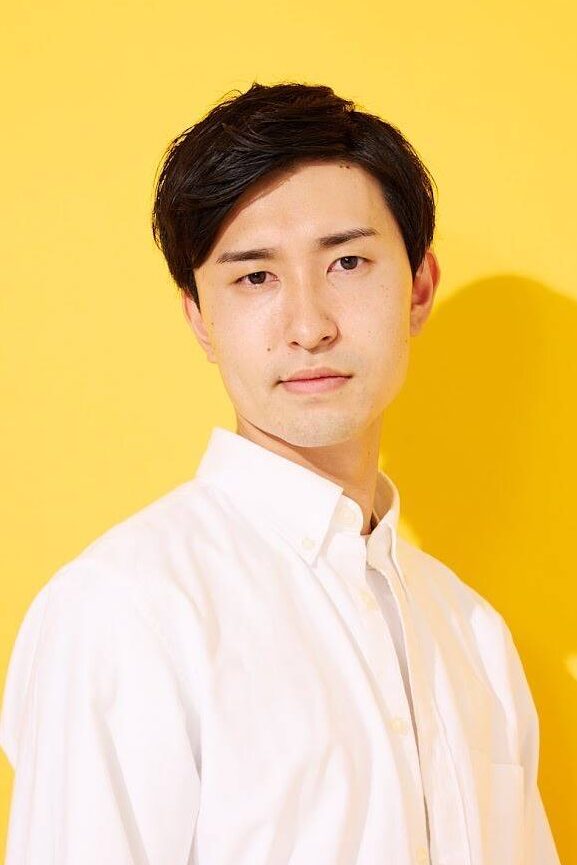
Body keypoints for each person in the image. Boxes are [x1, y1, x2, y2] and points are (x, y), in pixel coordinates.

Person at [0, 81, 561, 865]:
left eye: (348, 262)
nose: (309, 326)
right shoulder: (125, 609)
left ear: (418, 288)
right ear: (200, 318)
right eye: (255, 277)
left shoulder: (473, 636)